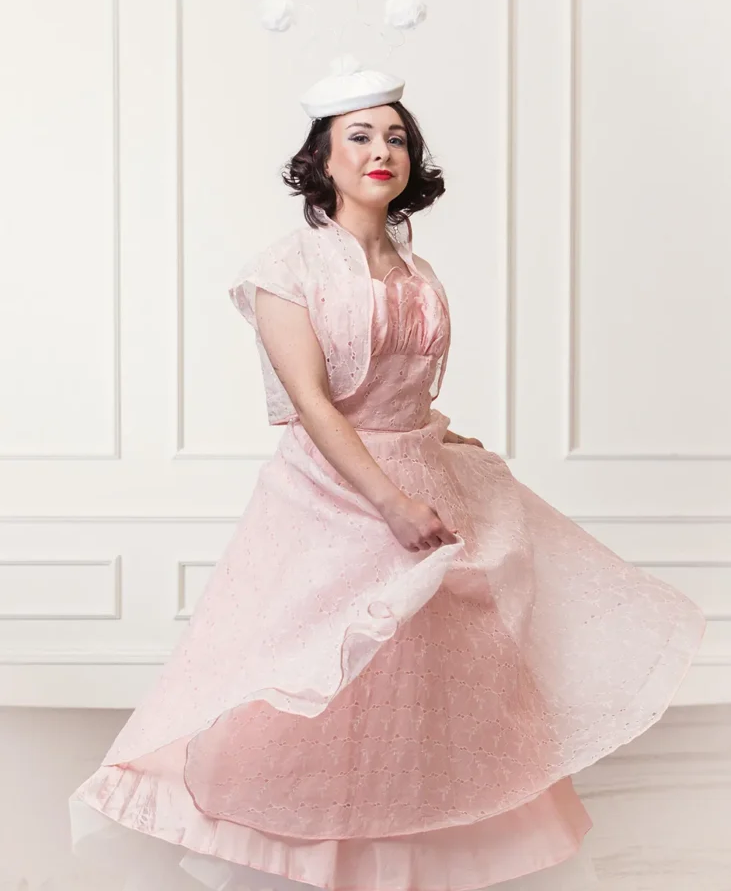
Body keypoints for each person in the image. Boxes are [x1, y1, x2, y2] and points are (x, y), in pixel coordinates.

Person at [68, 63, 706, 891]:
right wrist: (390, 502)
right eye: (359, 137)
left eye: (396, 137)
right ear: (322, 161)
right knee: (319, 676)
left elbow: (405, 388)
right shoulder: (284, 269)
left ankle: (409, 858)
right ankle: (304, 850)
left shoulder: (415, 270)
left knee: (426, 685)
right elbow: (314, 405)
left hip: (423, 480)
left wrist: (445, 443)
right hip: (334, 495)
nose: (382, 151)